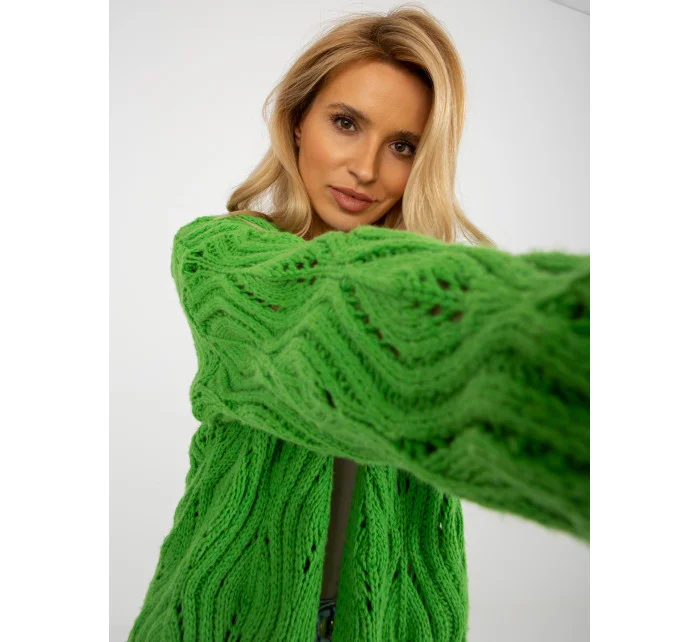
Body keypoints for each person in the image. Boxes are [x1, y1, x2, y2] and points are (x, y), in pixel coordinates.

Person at [127, 5, 589, 642]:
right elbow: (325, 306)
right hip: (227, 617)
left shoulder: (432, 284)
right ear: (297, 121)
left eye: (403, 146)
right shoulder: (217, 256)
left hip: (394, 621)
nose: (367, 168)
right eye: (346, 123)